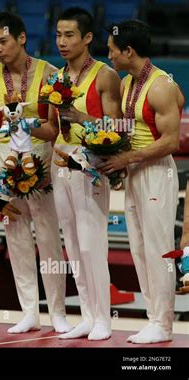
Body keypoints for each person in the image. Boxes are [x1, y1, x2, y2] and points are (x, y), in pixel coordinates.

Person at [0, 11, 72, 334]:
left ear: (21, 38)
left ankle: (57, 311)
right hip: (6, 171)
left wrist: (43, 156)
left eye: (3, 41)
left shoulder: (49, 74)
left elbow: (59, 128)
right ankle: (30, 311)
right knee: (16, 240)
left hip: (42, 166)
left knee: (48, 241)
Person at [101, 20, 185, 343]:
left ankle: (164, 324)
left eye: (112, 50)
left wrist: (127, 159)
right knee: (138, 248)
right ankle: (153, 318)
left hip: (156, 172)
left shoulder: (160, 85)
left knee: (158, 249)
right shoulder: (126, 84)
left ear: (129, 51)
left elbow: (171, 141)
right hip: (135, 171)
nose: (109, 55)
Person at [49, 8, 123, 341]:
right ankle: (87, 315)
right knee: (73, 245)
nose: (62, 42)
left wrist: (80, 115)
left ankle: (104, 319)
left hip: (89, 163)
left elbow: (115, 128)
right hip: (60, 160)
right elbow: (55, 127)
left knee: (93, 243)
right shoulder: (57, 77)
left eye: (69, 36)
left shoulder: (105, 76)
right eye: (58, 35)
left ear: (88, 38)